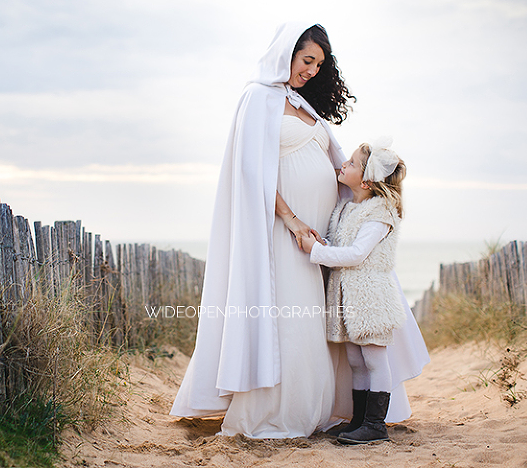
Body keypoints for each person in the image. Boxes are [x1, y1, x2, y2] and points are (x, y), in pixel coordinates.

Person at [170, 22, 428, 438]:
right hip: (283, 230)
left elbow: (336, 162)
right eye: (307, 60)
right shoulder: (257, 98)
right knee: (291, 313)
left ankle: (346, 412)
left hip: (324, 236)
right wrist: (291, 219)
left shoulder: (302, 103)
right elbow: (252, 170)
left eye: (318, 64)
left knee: (321, 321)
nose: (311, 70)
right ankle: (284, 409)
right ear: (286, 53)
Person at [301, 141, 409, 444]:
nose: (343, 165)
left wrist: (316, 252)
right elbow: (340, 243)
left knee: (374, 361)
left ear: (364, 180)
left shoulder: (379, 214)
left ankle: (376, 425)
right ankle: (358, 421)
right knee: (356, 361)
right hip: (348, 299)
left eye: (350, 163)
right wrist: (320, 241)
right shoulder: (348, 208)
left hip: (370, 298)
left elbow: (356, 254)